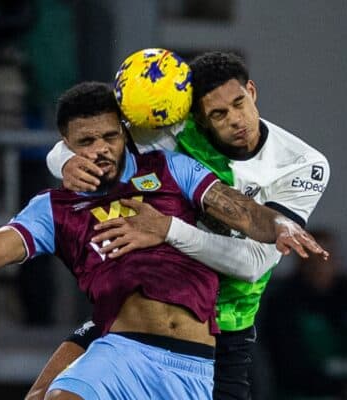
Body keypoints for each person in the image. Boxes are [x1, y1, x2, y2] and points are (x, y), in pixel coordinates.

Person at [0, 81, 326, 400]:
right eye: (86, 141)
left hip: (196, 366)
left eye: (110, 136)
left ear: (126, 132)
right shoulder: (53, 208)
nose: (101, 149)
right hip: (123, 352)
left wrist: (279, 224)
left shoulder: (171, 170)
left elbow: (240, 211)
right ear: (66, 145)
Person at [34, 51, 330, 400]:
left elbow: (253, 264)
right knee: (42, 394)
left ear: (252, 91)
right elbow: (88, 144)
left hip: (224, 331)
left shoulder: (303, 164)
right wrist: (67, 161)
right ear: (200, 119)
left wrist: (167, 229)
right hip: (144, 312)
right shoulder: (177, 131)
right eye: (218, 114)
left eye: (239, 103)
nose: (236, 120)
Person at [260, 230, 347, 399]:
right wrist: (337, 388)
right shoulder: (282, 304)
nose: (321, 264)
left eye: (328, 256)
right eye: (313, 257)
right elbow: (286, 362)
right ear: (301, 260)